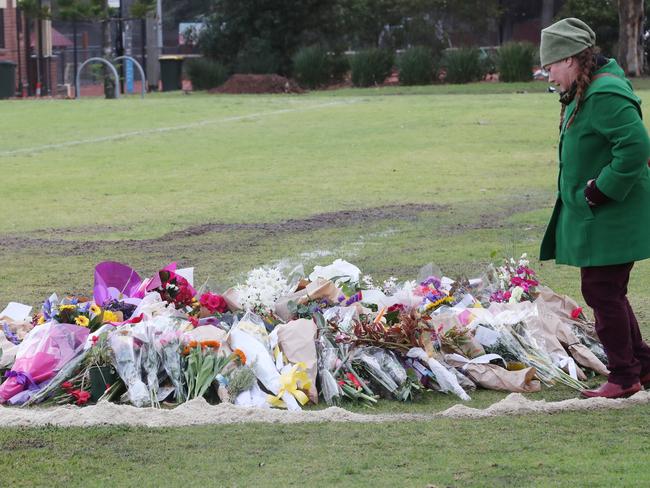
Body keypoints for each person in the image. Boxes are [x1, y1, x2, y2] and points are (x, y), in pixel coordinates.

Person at [539, 18, 650, 399]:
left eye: (551, 65)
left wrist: (600, 190)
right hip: (604, 215)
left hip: (614, 213)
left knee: (602, 290)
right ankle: (642, 365)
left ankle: (623, 376)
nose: (548, 73)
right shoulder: (589, 89)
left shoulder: (603, 93)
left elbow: (636, 146)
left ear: (570, 59)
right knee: (608, 290)